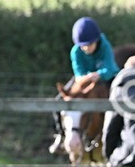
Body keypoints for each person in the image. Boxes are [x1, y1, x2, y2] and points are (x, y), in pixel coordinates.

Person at [51, 17, 120, 154]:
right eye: (83, 45)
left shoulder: (104, 46)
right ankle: (60, 134)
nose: (86, 48)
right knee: (58, 100)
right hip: (83, 81)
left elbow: (111, 68)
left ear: (97, 40)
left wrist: (99, 74)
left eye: (90, 44)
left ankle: (121, 134)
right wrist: (86, 78)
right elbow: (78, 73)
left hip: (105, 78)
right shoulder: (76, 51)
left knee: (119, 101)